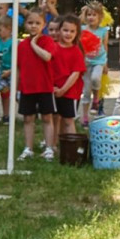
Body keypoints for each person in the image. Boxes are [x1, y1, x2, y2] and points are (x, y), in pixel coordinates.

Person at [17, 9, 58, 160]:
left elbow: (47, 57)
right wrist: (17, 88)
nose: (33, 26)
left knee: (47, 118)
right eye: (30, 23)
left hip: (44, 87)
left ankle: (49, 148)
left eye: (37, 23)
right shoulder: (21, 45)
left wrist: (34, 44)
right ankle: (28, 148)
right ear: (25, 25)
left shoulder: (47, 41)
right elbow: (19, 68)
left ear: (44, 25)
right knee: (28, 119)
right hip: (27, 88)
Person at [51, 14, 85, 149]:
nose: (68, 34)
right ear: (59, 30)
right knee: (54, 118)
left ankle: (72, 147)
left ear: (77, 33)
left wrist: (63, 89)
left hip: (70, 91)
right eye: (65, 30)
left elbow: (75, 74)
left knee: (68, 120)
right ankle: (52, 145)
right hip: (53, 90)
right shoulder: (52, 48)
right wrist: (52, 87)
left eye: (72, 31)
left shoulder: (76, 51)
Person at [81, 1, 110, 123]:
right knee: (86, 90)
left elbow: (105, 46)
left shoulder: (103, 30)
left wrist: (106, 64)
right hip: (86, 62)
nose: (91, 17)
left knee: (95, 78)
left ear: (100, 17)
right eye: (89, 14)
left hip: (99, 61)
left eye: (94, 15)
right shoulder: (82, 29)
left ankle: (96, 99)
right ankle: (85, 117)